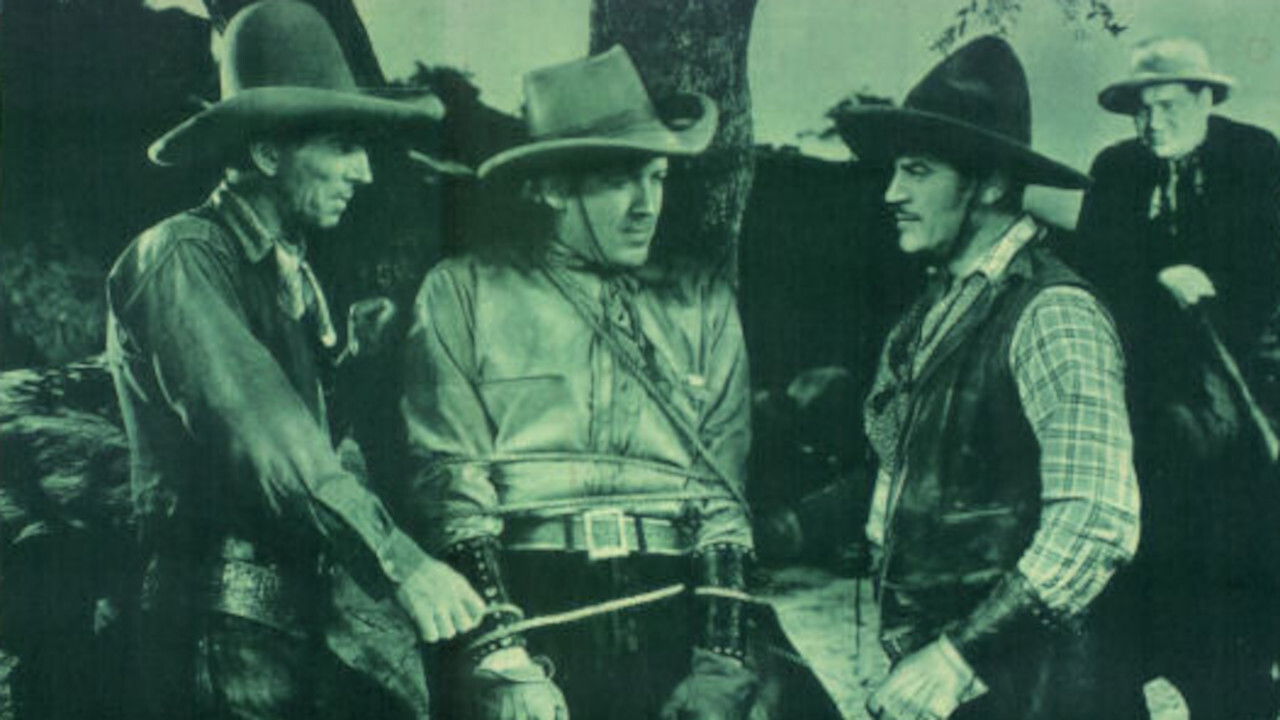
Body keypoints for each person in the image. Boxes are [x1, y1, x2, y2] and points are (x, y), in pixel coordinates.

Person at [400, 46, 838, 720]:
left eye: (657, 178)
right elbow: (452, 485)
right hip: (530, 599)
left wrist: (721, 661)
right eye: (617, 181)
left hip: (680, 600)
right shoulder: (465, 292)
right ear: (550, 187)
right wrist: (504, 660)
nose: (646, 206)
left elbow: (721, 497)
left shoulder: (701, 300)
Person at [104, 2, 485, 717]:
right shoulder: (183, 256)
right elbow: (266, 433)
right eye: (342, 147)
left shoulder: (294, 281)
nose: (363, 173)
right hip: (218, 638)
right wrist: (401, 564)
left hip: (288, 633)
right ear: (265, 153)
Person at [832, 36, 1141, 719]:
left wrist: (957, 656)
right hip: (959, 679)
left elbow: (1097, 520)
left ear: (993, 183)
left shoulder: (1052, 313)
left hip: (1043, 690)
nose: (892, 192)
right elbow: (907, 474)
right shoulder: (935, 310)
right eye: (895, 170)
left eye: (917, 171)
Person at [1072, 36, 1280, 719]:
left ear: (1205, 98)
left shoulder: (1256, 158)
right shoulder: (1115, 170)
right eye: (1141, 109)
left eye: (1167, 106)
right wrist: (1161, 275)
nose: (1151, 122)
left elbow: (1265, 269)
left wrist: (1217, 294)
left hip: (1240, 376)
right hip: (1145, 388)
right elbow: (1096, 270)